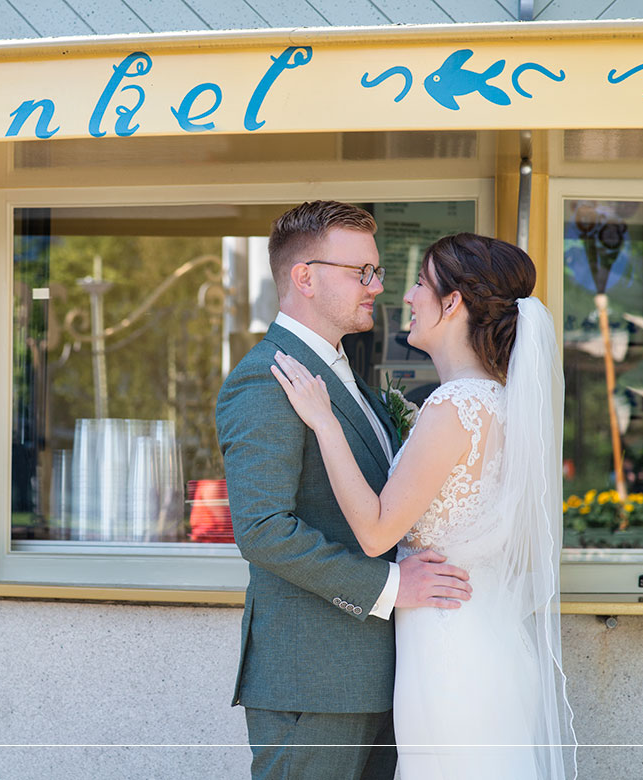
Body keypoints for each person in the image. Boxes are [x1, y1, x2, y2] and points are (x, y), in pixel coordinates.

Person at [271, 232, 577, 779]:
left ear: (452, 302)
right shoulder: (503, 402)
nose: (406, 297)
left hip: (449, 653)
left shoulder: (454, 405)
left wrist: (324, 422)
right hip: (488, 640)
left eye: (418, 283)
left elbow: (374, 532)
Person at [215, 201, 475, 780]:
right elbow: (263, 530)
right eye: (362, 273)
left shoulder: (345, 375)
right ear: (304, 277)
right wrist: (390, 584)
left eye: (376, 272)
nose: (377, 287)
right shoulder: (266, 379)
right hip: (315, 680)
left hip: (381, 674)